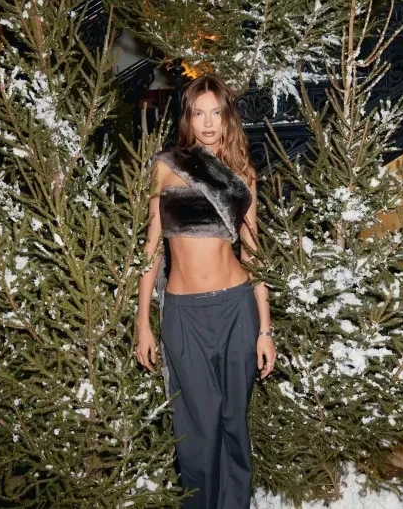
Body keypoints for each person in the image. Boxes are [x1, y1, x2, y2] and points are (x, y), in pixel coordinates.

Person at [134, 73, 276, 509]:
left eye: (216, 113)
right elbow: (150, 252)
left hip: (236, 309)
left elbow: (253, 252)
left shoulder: (242, 175)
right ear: (189, 118)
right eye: (200, 113)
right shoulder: (166, 167)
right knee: (197, 427)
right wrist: (143, 324)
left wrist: (265, 329)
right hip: (184, 314)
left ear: (227, 117)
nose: (209, 123)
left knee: (234, 421)